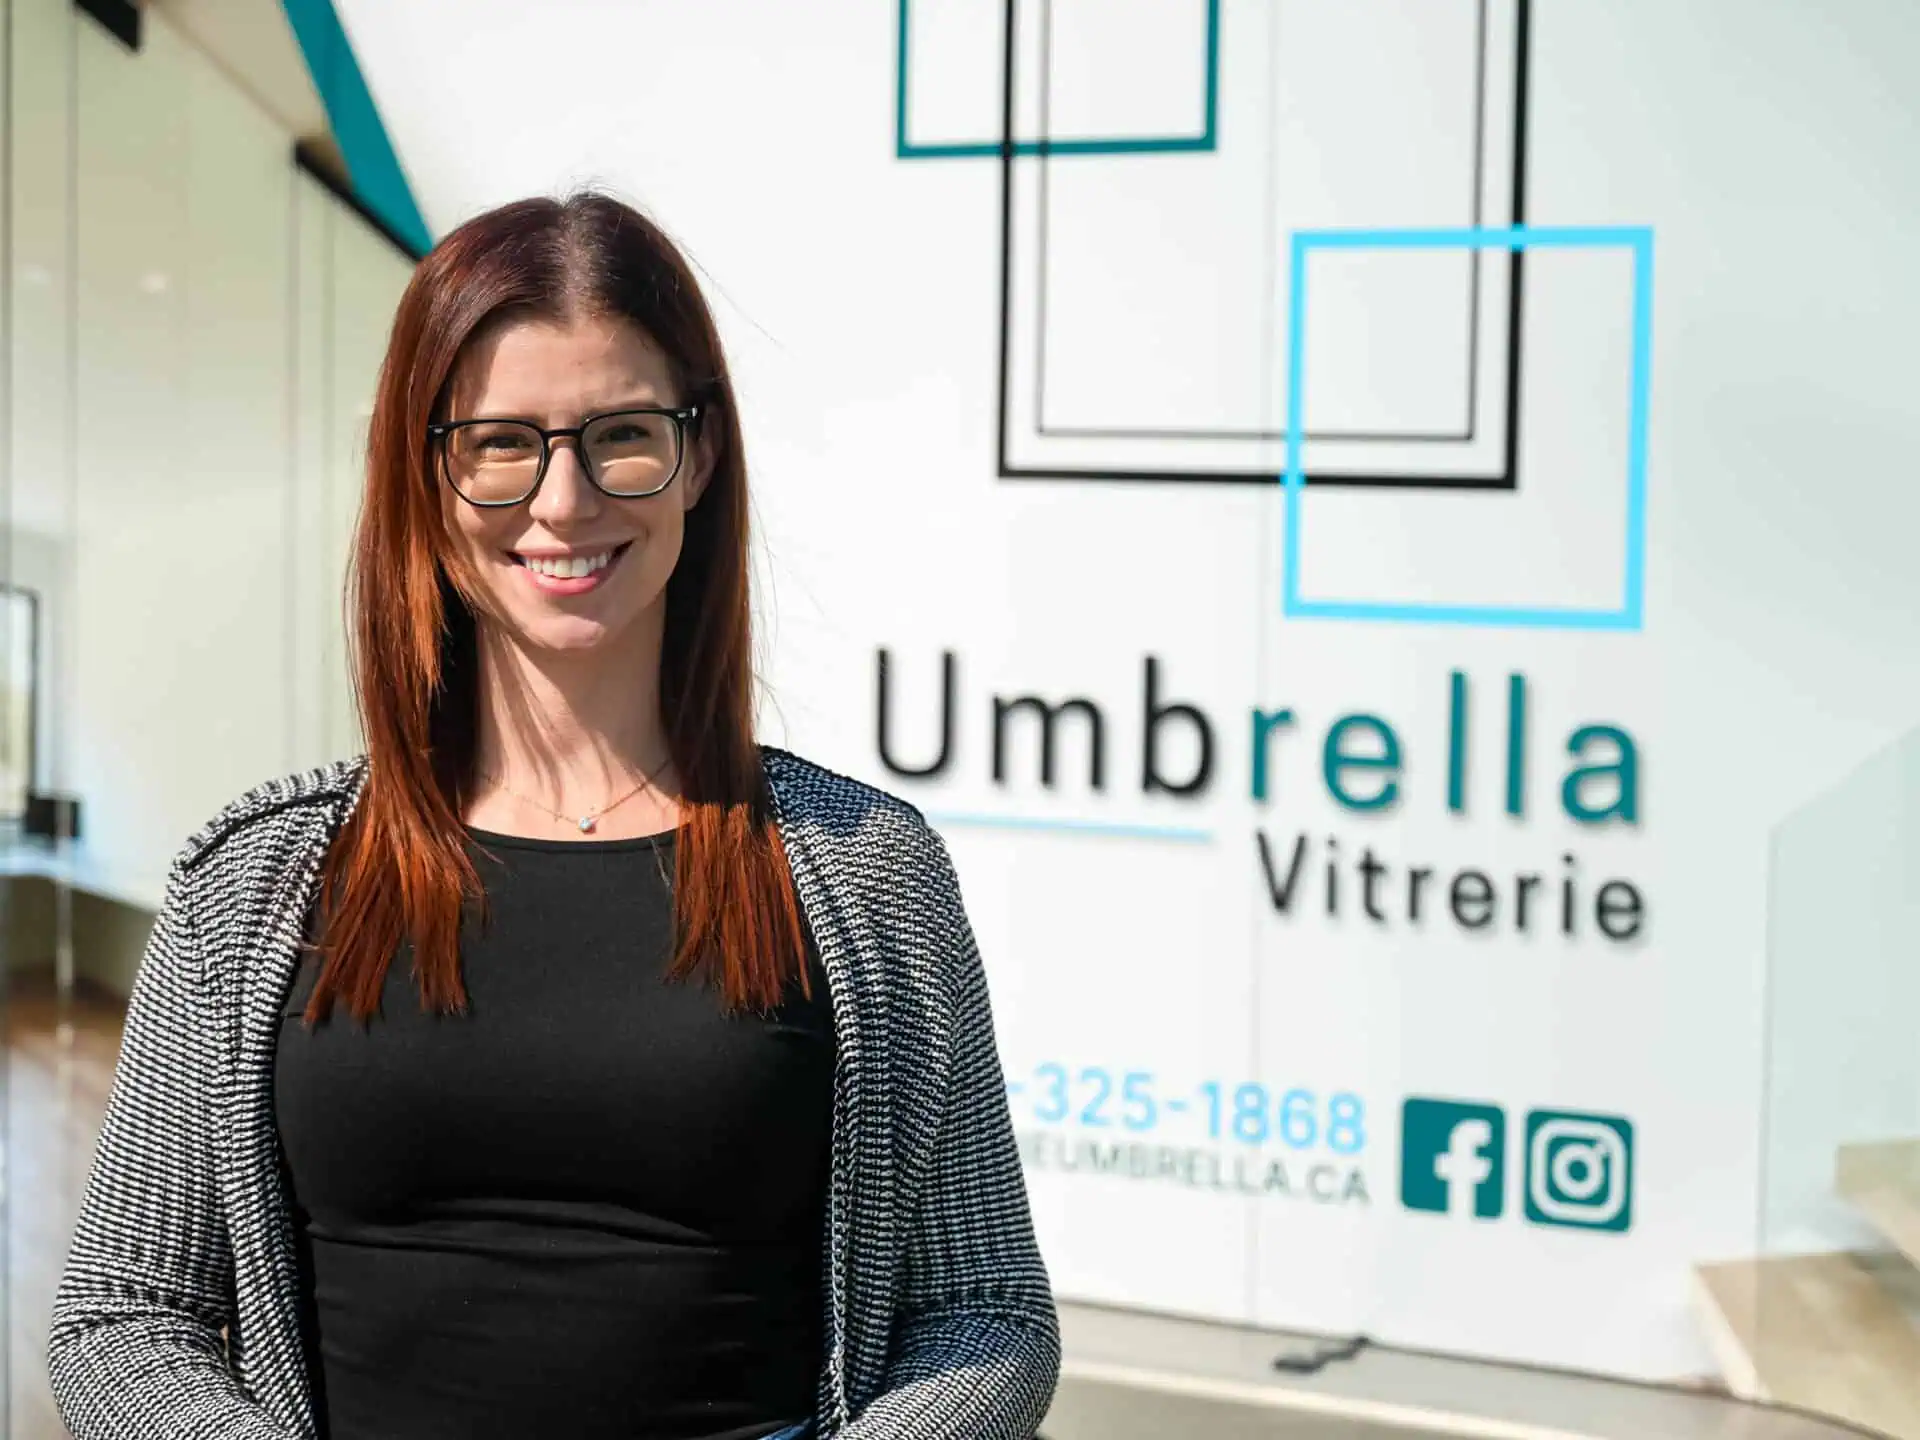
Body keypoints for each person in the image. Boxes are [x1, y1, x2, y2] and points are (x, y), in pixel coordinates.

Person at [47, 192, 1059, 1440]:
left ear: (701, 458)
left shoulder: (868, 873)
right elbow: (122, 1317)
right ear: (425, 474)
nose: (566, 502)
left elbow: (985, 1311)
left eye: (621, 435)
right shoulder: (253, 881)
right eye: (501, 442)